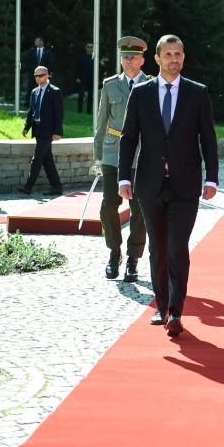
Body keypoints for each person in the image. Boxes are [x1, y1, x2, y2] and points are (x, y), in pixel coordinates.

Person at [118, 35, 218, 338]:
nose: (174, 59)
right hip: (149, 184)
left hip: (185, 185)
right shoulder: (141, 93)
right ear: (157, 59)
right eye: (168, 54)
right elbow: (129, 137)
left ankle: (176, 311)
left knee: (177, 247)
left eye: (178, 54)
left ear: (183, 57)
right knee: (158, 248)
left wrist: (212, 177)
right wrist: (124, 178)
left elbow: (208, 138)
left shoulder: (197, 93)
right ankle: (161, 307)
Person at [95, 36, 152, 282]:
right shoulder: (110, 85)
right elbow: (101, 122)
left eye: (133, 57)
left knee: (140, 209)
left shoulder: (152, 84)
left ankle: (133, 258)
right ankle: (114, 251)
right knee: (109, 204)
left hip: (142, 155)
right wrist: (98, 157)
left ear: (142, 60)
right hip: (113, 153)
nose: (129, 61)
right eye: (125, 57)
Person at [20, 66, 64, 195]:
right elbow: (31, 111)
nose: (38, 78)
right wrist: (26, 127)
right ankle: (57, 187)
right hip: (37, 129)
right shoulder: (34, 92)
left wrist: (57, 132)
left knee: (37, 159)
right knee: (47, 160)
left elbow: (59, 114)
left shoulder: (55, 91)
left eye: (41, 75)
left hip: (48, 130)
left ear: (47, 75)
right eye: (36, 76)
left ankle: (28, 187)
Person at [24, 37, 53, 101]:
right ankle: (28, 102)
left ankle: (43, 102)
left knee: (43, 89)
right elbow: (28, 63)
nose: (35, 42)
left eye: (36, 41)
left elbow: (50, 63)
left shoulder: (48, 52)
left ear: (41, 42)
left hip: (43, 75)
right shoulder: (32, 51)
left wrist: (44, 72)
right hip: (33, 74)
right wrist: (35, 70)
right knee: (30, 89)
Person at [76, 42, 94, 113]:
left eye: (91, 47)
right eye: (88, 47)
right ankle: (79, 111)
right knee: (81, 95)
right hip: (82, 79)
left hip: (91, 79)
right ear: (86, 48)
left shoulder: (95, 57)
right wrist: (77, 77)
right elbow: (78, 68)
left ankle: (88, 112)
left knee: (90, 96)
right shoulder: (82, 57)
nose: (89, 49)